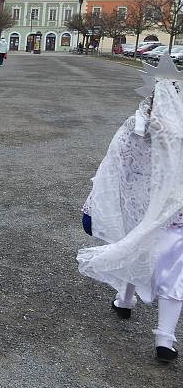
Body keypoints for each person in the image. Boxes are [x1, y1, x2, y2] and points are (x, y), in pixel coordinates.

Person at [78, 61, 183, 363]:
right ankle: (165, 338)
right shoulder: (179, 135)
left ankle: (124, 300)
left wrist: (96, 200)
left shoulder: (133, 126)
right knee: (174, 271)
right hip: (174, 214)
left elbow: (113, 166)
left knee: (133, 248)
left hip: (136, 206)